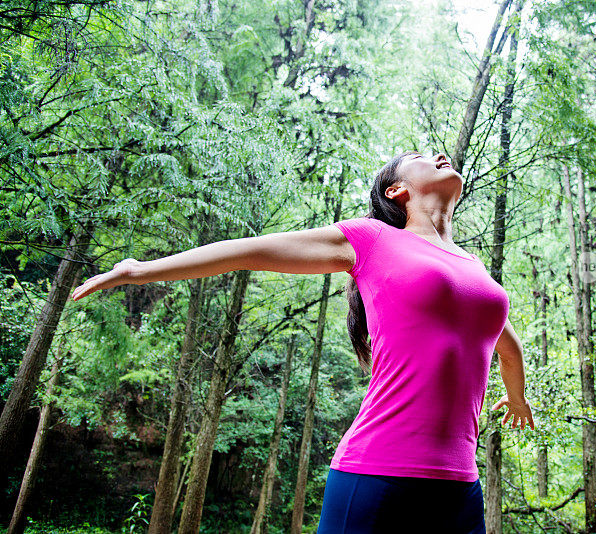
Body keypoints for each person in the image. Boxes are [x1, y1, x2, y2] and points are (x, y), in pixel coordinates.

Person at [71, 150, 534, 533]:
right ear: (397, 191)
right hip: (376, 473)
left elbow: (505, 344)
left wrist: (517, 397)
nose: (439, 155)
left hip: (460, 487)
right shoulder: (373, 240)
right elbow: (249, 250)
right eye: (419, 157)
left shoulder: (475, 270)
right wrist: (140, 270)